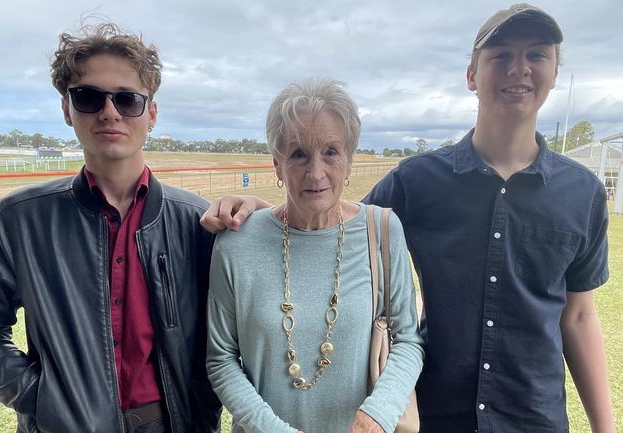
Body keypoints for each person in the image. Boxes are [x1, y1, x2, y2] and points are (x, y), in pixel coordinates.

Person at [200, 5, 616, 433]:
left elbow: (579, 316)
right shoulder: (417, 181)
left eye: (536, 55)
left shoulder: (583, 193)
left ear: (554, 71)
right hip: (439, 414)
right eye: (501, 55)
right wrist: (260, 212)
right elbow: (329, 222)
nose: (519, 68)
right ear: (472, 75)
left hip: (534, 416)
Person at [0, 24, 221, 433]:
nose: (110, 112)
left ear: (151, 114)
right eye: (88, 97)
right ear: (67, 109)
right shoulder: (20, 218)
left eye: (127, 99)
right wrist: (40, 398)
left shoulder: (196, 221)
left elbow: (222, 344)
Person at [205, 78, 424, 433]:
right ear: (277, 165)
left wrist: (377, 417)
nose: (316, 172)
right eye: (298, 154)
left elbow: (407, 340)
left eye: (331, 151)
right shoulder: (236, 243)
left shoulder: (383, 230)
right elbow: (221, 358)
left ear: (350, 160)